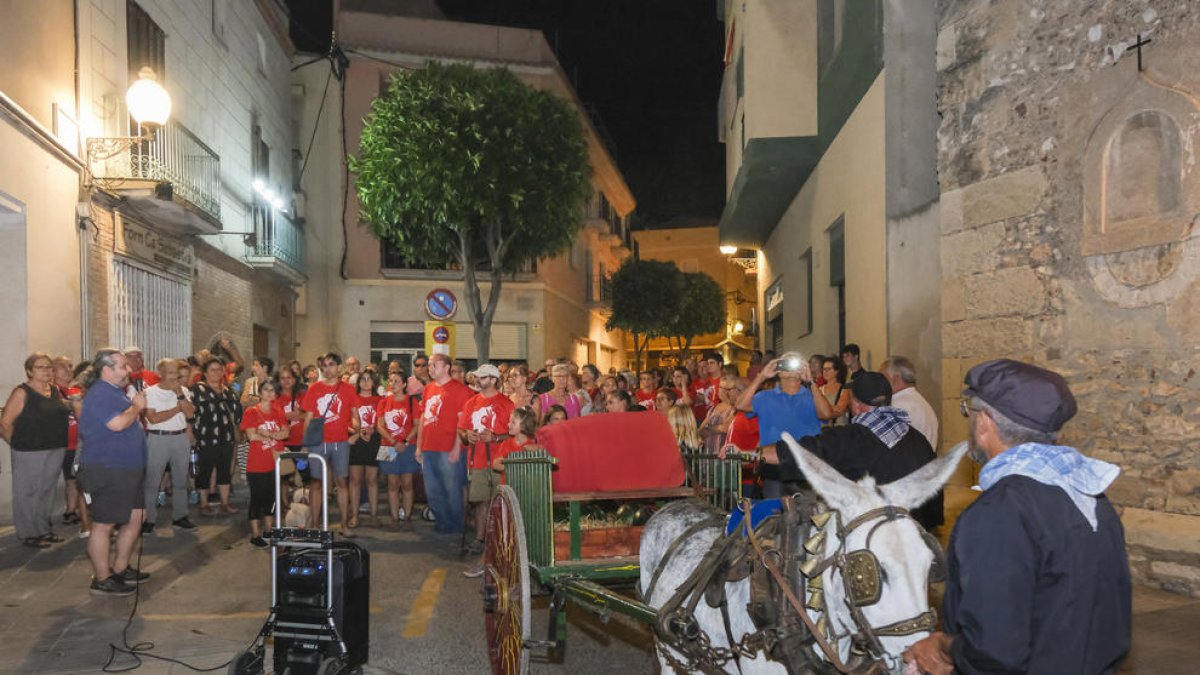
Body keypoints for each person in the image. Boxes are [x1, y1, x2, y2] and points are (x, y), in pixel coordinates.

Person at [903, 359, 1131, 675]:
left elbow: (994, 651)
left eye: (969, 412)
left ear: (984, 422)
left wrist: (942, 646)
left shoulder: (999, 513)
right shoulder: (1092, 496)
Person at [755, 371, 943, 530]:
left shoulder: (850, 439)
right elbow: (935, 499)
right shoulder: (918, 439)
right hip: (917, 541)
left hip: (873, 546)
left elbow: (798, 453)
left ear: (856, 405)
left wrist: (746, 453)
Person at [77, 349, 150, 595]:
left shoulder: (115, 392)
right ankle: (102, 577)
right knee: (104, 524)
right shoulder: (100, 393)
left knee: (136, 517)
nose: (128, 370)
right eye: (123, 366)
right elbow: (117, 424)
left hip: (127, 468)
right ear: (107, 370)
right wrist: (136, 408)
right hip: (108, 468)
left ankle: (119, 568)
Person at [1, 352, 72, 547]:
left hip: (55, 447)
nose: (47, 371)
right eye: (41, 367)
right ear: (29, 371)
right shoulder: (22, 392)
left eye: (49, 367)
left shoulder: (55, 390)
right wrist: (16, 444)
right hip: (29, 450)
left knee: (46, 490)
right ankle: (28, 533)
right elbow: (5, 423)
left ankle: (43, 529)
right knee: (27, 492)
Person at [733, 352, 828, 497]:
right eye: (786, 364)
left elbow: (826, 414)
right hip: (773, 468)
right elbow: (739, 404)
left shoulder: (813, 396)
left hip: (807, 467)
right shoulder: (764, 397)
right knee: (773, 515)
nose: (791, 368)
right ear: (779, 371)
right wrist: (762, 376)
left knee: (810, 515)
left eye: (796, 364)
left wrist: (811, 382)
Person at [459, 364, 514, 575]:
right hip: (478, 459)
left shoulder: (506, 404)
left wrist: (497, 437)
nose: (477, 381)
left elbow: (517, 434)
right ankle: (481, 539)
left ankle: (498, 543)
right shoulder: (471, 402)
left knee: (498, 503)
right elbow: (462, 429)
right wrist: (467, 436)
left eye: (482, 377)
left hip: (499, 459)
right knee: (481, 502)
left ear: (492, 380)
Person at [415, 353, 473, 535]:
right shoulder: (429, 388)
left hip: (448, 448)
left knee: (452, 488)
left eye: (433, 365)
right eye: (428, 365)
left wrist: (456, 448)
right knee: (432, 490)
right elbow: (424, 418)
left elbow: (462, 422)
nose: (429, 368)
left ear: (446, 367)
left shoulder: (460, 390)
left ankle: (455, 526)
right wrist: (419, 446)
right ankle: (442, 523)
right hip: (429, 447)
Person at [300, 352, 359, 532]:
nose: (327, 369)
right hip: (317, 443)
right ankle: (316, 525)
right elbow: (308, 419)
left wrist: (355, 430)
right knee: (316, 483)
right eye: (324, 366)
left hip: (340, 442)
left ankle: (343, 523)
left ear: (339, 367)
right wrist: (305, 444)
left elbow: (355, 415)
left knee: (342, 483)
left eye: (331, 364)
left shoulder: (348, 389)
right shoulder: (314, 389)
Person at [142, 358, 197, 532]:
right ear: (161, 373)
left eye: (177, 372)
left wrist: (180, 395)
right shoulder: (150, 392)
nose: (176, 376)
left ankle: (180, 516)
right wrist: (176, 409)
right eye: (172, 372)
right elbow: (153, 418)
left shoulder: (184, 391)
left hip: (180, 437)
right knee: (153, 481)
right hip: (158, 438)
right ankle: (148, 519)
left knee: (181, 480)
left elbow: (190, 413)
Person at [239, 378, 289, 547]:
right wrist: (273, 434)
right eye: (266, 389)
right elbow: (251, 436)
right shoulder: (251, 412)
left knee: (272, 498)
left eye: (273, 390)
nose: (269, 393)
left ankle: (268, 530)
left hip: (275, 461)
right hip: (257, 464)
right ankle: (255, 534)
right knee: (257, 499)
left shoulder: (278, 410)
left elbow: (285, 433)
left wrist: (268, 434)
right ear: (260, 392)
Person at [191, 357, 242, 515]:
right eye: (212, 370)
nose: (217, 373)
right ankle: (204, 504)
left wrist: (238, 430)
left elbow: (236, 412)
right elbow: (190, 413)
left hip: (226, 436)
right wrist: (191, 434)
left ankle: (225, 503)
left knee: (224, 471)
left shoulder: (228, 390)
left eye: (219, 369)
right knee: (205, 470)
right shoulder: (197, 390)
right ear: (205, 373)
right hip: (205, 437)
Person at [377, 370, 421, 527]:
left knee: (407, 483)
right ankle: (394, 518)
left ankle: (407, 517)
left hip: (408, 446)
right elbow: (380, 426)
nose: (393, 384)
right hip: (387, 447)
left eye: (396, 381)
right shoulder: (384, 402)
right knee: (392, 483)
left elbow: (417, 425)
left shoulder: (412, 402)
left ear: (404, 384)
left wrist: (404, 441)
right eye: (391, 381)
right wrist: (393, 442)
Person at [54, 356, 90, 536]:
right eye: (63, 367)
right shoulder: (53, 390)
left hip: (77, 441)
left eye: (70, 366)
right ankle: (72, 512)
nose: (68, 370)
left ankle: (71, 510)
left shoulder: (74, 389)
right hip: (63, 442)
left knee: (73, 479)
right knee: (73, 479)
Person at [347, 369, 382, 531]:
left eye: (369, 379)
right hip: (356, 441)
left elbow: (383, 422)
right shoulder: (352, 399)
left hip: (374, 441)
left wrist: (372, 430)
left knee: (372, 480)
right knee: (355, 481)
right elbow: (345, 421)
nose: (366, 382)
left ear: (374, 382)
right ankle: (355, 514)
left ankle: (374, 515)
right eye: (363, 379)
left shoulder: (380, 400)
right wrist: (357, 431)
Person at [881, 356, 938, 449]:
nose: (880, 382)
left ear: (896, 379)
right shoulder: (922, 402)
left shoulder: (896, 406)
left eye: (883, 377)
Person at [699, 375, 738, 453]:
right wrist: (712, 428)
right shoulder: (714, 408)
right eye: (720, 387)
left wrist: (708, 427)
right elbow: (701, 430)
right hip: (709, 453)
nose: (720, 390)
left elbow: (725, 428)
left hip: (724, 455)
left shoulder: (735, 409)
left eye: (725, 388)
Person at [818, 356, 851, 426]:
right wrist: (832, 408)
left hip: (839, 429)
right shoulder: (819, 390)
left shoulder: (845, 389)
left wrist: (822, 410)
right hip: (822, 429)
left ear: (837, 371)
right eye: (824, 369)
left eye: (828, 369)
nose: (825, 372)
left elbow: (840, 409)